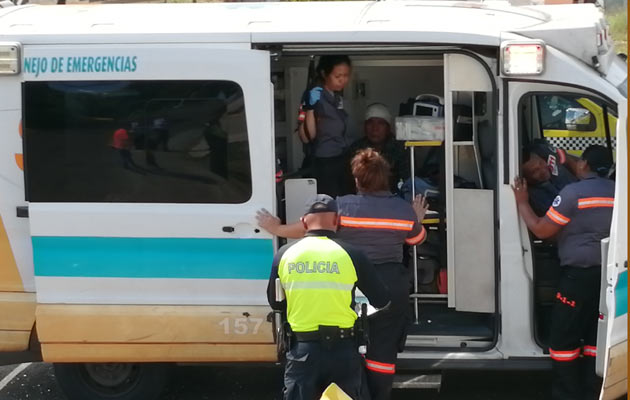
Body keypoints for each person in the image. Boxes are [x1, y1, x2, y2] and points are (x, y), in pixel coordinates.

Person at [258, 149, 429, 400]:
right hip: (390, 283)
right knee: (382, 351)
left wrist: (276, 227)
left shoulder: (343, 206)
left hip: (349, 282)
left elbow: (307, 228)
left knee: (348, 343)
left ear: (357, 180)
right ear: (386, 178)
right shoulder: (403, 211)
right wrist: (416, 218)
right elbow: (416, 239)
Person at [512, 145, 614, 400]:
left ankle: (568, 393)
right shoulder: (620, 191)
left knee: (562, 339)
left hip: (577, 277)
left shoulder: (572, 194)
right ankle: (594, 390)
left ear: (583, 165)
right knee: (595, 335)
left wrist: (522, 202)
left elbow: (542, 230)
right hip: (609, 277)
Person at [267, 194, 391, 400]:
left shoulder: (284, 254)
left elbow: (275, 302)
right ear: (337, 220)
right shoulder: (352, 254)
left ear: (304, 221)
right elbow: (381, 300)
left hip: (302, 350)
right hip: (343, 352)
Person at [303, 55, 352, 198]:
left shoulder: (336, 97)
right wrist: (310, 108)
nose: (342, 80)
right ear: (325, 74)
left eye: (346, 75)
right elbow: (308, 136)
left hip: (341, 158)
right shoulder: (315, 96)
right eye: (338, 76)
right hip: (325, 162)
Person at [347, 103, 409, 192]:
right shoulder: (356, 148)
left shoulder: (401, 148)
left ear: (388, 128)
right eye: (370, 122)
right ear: (364, 126)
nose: (374, 128)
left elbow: (407, 182)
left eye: (381, 123)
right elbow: (349, 182)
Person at [522, 139, 578, 216]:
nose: (542, 170)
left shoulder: (548, 155)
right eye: (535, 171)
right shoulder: (536, 197)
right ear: (527, 179)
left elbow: (567, 159)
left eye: (541, 163)